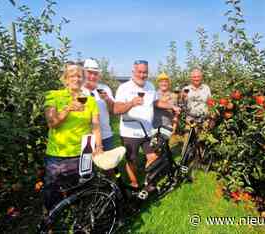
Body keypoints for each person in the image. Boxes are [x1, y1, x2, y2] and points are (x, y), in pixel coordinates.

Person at [43, 63, 103, 211]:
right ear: (65, 79)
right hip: (59, 154)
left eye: (79, 76)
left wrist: (99, 146)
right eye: (72, 76)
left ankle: (82, 221)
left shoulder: (90, 101)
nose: (76, 79)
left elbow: (95, 126)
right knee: (52, 193)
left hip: (85, 152)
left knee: (83, 190)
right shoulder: (54, 96)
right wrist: (68, 108)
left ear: (83, 79)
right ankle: (49, 224)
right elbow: (52, 123)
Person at [114, 60, 176, 188]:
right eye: (140, 72)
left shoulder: (150, 86)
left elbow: (156, 103)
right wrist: (131, 103)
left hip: (147, 131)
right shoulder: (124, 88)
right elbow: (116, 110)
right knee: (132, 161)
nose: (142, 75)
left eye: (145, 72)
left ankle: (148, 182)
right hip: (129, 132)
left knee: (153, 157)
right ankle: (135, 184)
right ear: (133, 72)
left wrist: (171, 106)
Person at [82, 58, 115, 151]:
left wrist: (107, 99)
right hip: (85, 136)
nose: (92, 76)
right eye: (89, 73)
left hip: (106, 135)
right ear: (84, 73)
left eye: (95, 73)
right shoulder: (79, 90)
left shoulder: (104, 88)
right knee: (87, 164)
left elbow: (113, 110)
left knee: (109, 164)